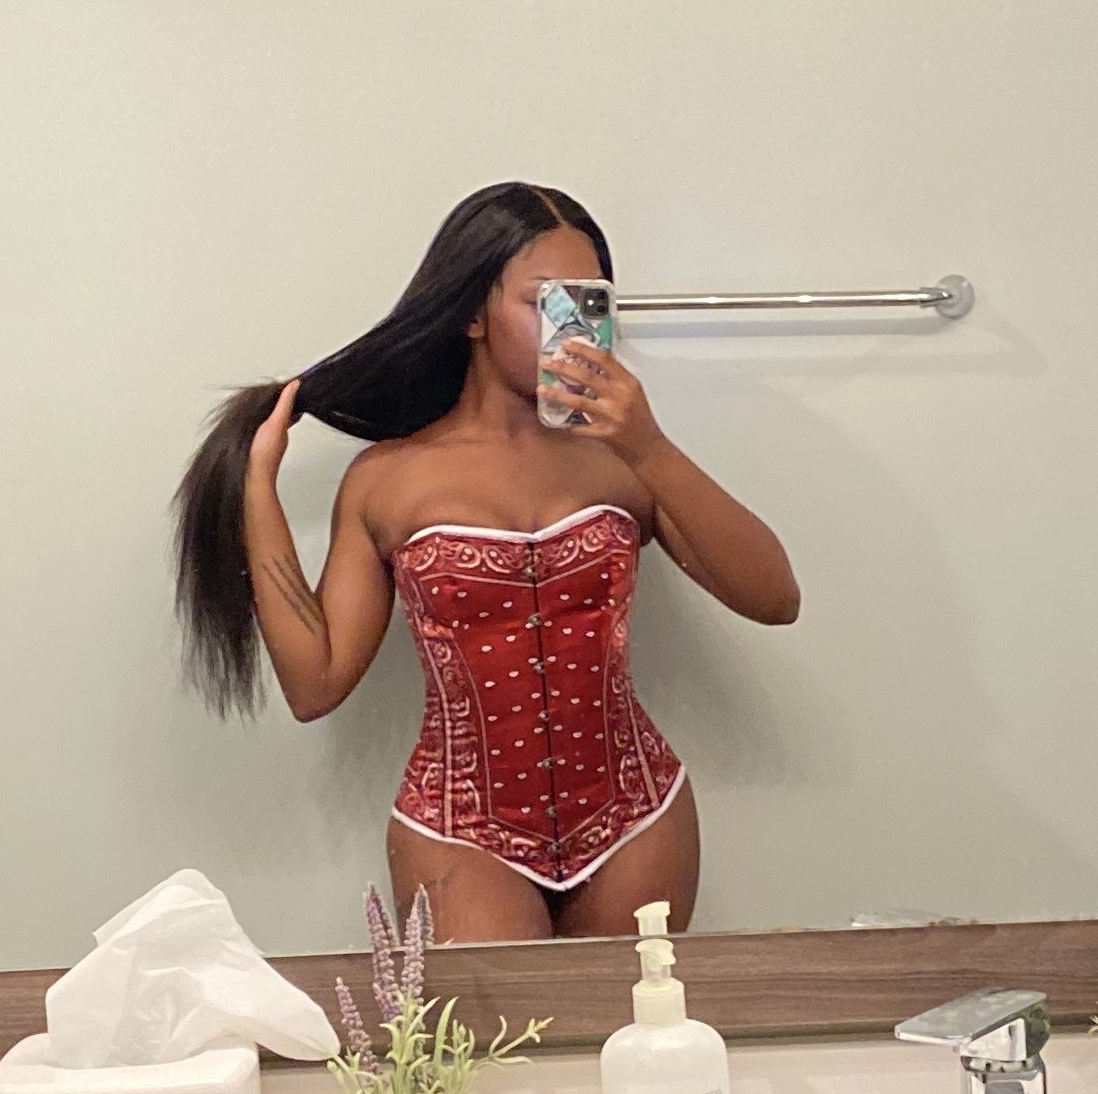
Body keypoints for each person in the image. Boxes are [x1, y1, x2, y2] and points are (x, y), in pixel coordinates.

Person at [174, 182, 800, 939]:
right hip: (460, 833)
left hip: (638, 818)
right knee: (495, 1020)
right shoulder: (387, 478)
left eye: (590, 301)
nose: (573, 330)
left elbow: (776, 598)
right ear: (472, 313)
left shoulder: (628, 458)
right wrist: (257, 490)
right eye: (545, 302)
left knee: (633, 1013)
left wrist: (649, 446)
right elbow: (316, 683)